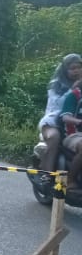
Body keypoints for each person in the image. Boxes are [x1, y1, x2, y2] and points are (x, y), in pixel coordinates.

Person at [37, 53, 82, 187]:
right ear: (65, 70)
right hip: (53, 121)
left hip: (71, 124)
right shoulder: (56, 85)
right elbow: (59, 105)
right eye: (72, 68)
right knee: (55, 137)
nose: (76, 71)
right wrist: (73, 89)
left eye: (78, 67)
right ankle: (47, 174)